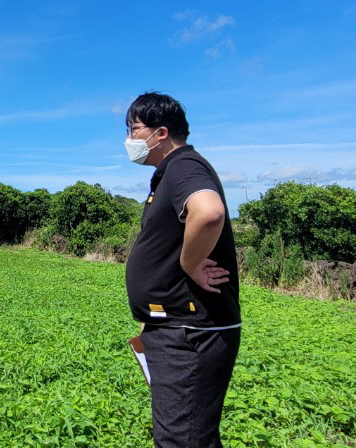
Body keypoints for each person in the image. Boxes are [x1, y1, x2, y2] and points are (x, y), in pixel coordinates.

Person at [123, 92, 241, 448]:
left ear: (160, 133)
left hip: (190, 334)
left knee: (181, 440)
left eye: (133, 129)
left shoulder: (183, 166)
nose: (129, 139)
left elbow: (209, 212)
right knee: (189, 435)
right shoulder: (169, 173)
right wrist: (152, 317)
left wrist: (190, 264)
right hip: (175, 326)